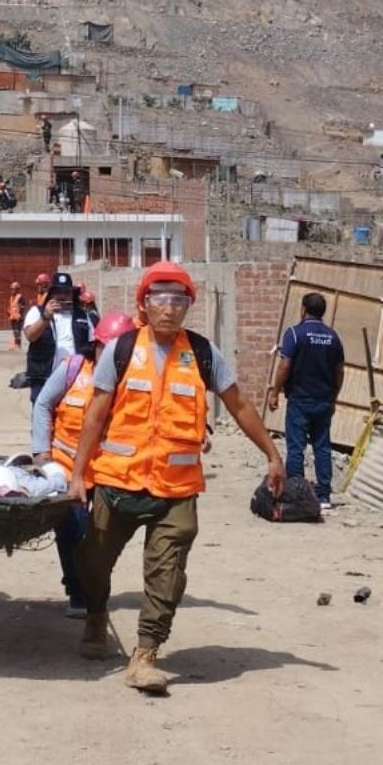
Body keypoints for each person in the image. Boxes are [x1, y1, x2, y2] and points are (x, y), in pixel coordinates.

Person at [69, 261, 287, 694]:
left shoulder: (203, 354)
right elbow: (95, 413)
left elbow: (240, 405)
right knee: (92, 563)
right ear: (144, 305)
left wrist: (272, 455)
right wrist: (78, 473)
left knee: (167, 572)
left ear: (189, 305)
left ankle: (146, 653)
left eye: (179, 300)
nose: (170, 309)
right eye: (160, 299)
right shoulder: (122, 349)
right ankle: (96, 612)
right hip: (119, 481)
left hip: (176, 487)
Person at [33, 311, 136, 617]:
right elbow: (42, 405)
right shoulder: (73, 369)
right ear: (97, 346)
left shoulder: (134, 384)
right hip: (66, 467)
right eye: (108, 349)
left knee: (100, 536)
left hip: (107, 472)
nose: (115, 358)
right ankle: (78, 590)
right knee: (71, 529)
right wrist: (41, 453)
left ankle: (89, 583)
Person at [268, 292, 345, 509]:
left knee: (296, 448)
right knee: (322, 448)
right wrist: (334, 397)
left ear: (303, 310)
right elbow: (339, 370)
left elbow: (284, 365)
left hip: (299, 401)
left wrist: (275, 392)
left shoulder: (294, 334)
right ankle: (324, 496)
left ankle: (297, 493)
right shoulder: (333, 337)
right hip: (323, 401)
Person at [23, 270, 94, 403]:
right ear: (51, 294)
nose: (62, 296)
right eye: (58, 292)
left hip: (75, 379)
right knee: (42, 418)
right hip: (44, 378)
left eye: (66, 292)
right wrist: (45, 318)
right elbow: (30, 336)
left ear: (72, 295)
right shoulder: (37, 312)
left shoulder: (83, 316)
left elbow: (92, 344)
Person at [6, 282, 26, 351]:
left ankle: (18, 345)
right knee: (14, 331)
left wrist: (19, 315)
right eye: (11, 289)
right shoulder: (11, 297)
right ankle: (14, 345)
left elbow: (22, 307)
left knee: (17, 332)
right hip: (12, 318)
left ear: (17, 290)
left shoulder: (20, 297)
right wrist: (8, 312)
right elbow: (11, 306)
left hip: (18, 318)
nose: (12, 291)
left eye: (13, 289)